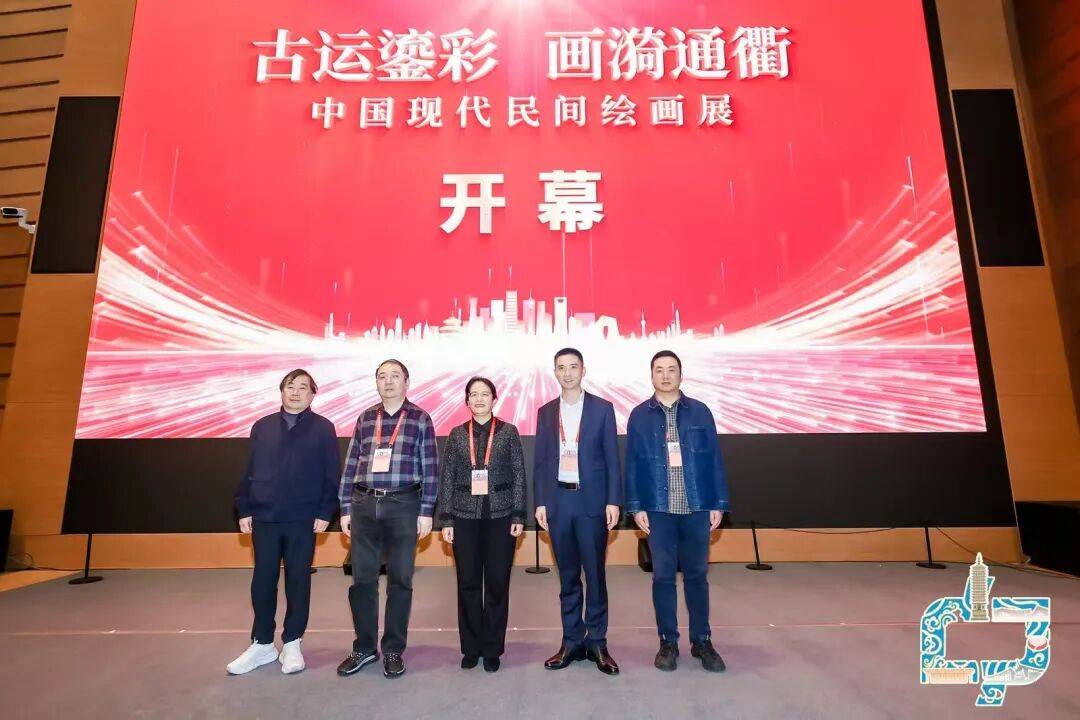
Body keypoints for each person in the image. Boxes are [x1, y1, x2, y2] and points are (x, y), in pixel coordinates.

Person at [228, 369, 340, 676]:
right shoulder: (262, 426)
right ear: (281, 391)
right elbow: (249, 471)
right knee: (262, 581)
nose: (296, 392)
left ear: (312, 395)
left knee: (298, 581)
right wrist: (243, 507)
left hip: (303, 518)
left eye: (303, 387)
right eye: (290, 386)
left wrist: (325, 512)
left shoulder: (324, 428)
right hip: (264, 516)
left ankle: (292, 642)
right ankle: (262, 644)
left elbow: (332, 474)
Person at [625, 350, 730, 673]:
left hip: (697, 507)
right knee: (663, 577)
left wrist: (718, 503)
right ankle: (667, 642)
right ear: (651, 376)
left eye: (672, 370)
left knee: (697, 576)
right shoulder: (639, 416)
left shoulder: (700, 412)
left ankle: (702, 641)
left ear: (681, 375)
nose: (666, 375)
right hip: (658, 509)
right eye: (659, 370)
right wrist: (636, 507)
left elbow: (714, 459)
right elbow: (632, 464)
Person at [336, 359, 438, 679]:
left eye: (395, 376)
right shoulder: (366, 418)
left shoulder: (420, 418)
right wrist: (345, 506)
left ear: (407, 382)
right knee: (362, 580)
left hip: (404, 504)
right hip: (364, 504)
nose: (388, 381)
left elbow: (430, 467)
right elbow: (351, 463)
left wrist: (426, 510)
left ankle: (394, 648)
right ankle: (365, 647)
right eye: (382, 376)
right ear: (376, 382)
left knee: (400, 580)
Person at [533, 348, 622, 675]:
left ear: (583, 370)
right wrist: (540, 501)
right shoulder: (546, 412)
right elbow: (541, 460)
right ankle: (571, 640)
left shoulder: (602, 409)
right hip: (559, 502)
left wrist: (613, 501)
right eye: (561, 367)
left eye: (573, 367)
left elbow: (612, 458)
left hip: (592, 503)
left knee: (595, 576)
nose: (567, 373)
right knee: (568, 577)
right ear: (555, 372)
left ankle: (597, 641)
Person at [436, 377, 526, 672]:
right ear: (466, 401)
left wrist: (518, 515)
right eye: (473, 395)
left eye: (484, 394)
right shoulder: (456, 434)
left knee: (498, 583)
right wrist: (446, 518)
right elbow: (447, 477)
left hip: (501, 518)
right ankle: (471, 647)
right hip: (464, 518)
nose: (478, 399)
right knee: (468, 583)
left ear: (494, 398)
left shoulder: (509, 432)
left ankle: (492, 649)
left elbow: (519, 474)